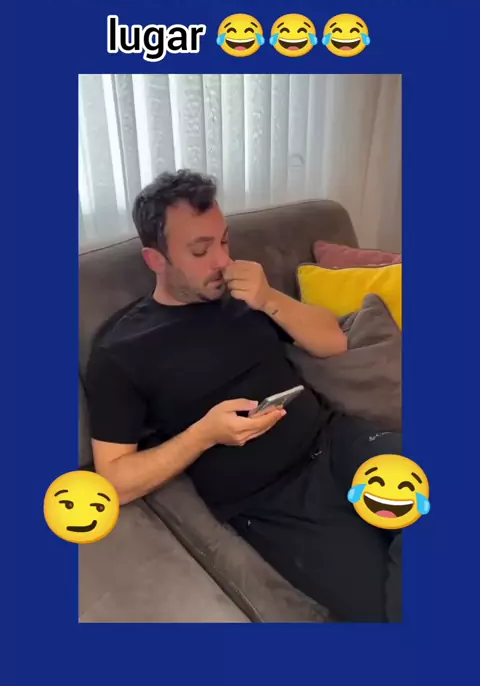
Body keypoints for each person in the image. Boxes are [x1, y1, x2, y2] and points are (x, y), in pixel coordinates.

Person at [85, 169, 402, 622]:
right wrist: (203, 435)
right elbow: (113, 479)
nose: (222, 260)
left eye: (224, 241)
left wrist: (269, 297)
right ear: (155, 259)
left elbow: (333, 342)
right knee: (382, 611)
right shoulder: (120, 351)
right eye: (200, 250)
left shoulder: (245, 292)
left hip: (339, 441)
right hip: (273, 502)